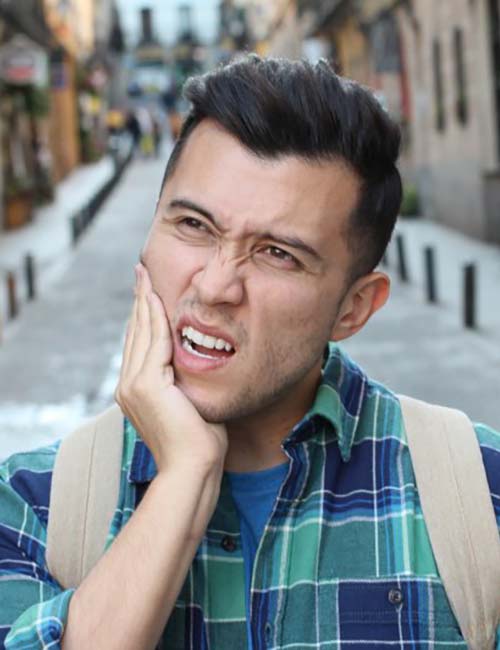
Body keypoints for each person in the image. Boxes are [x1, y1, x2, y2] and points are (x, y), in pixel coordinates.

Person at [0, 55, 499, 649]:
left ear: (354, 308)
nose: (214, 286)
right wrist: (184, 475)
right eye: (192, 225)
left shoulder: (479, 497)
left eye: (277, 254)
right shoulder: (34, 506)